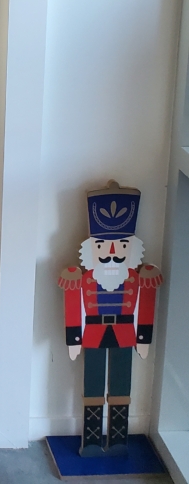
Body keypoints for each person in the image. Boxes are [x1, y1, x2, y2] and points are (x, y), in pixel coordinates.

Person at [58, 180, 162, 456]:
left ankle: (117, 440)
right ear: (93, 248)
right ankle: (92, 441)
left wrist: (143, 338)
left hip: (125, 334)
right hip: (92, 335)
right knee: (92, 386)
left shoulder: (139, 278)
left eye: (122, 245)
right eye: (104, 246)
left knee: (121, 386)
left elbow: (144, 305)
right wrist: (74, 339)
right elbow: (75, 305)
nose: (112, 253)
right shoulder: (82, 278)